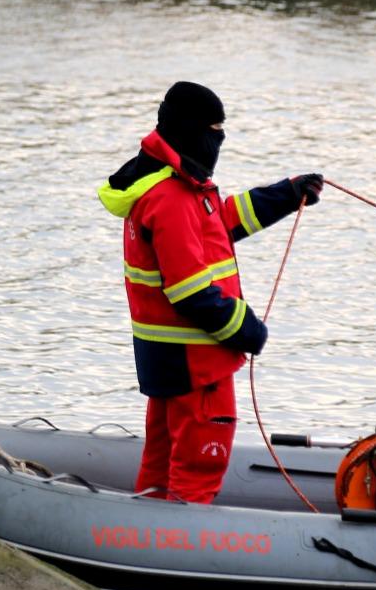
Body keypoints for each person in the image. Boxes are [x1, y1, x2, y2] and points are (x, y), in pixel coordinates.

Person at [98, 81, 323, 503]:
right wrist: (248, 331)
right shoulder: (172, 197)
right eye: (215, 130)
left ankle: (145, 534)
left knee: (161, 464)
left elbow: (215, 225)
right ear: (192, 131)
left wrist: (286, 195)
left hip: (168, 364)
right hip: (197, 365)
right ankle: (172, 552)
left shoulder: (165, 183)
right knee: (198, 467)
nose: (219, 140)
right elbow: (191, 293)